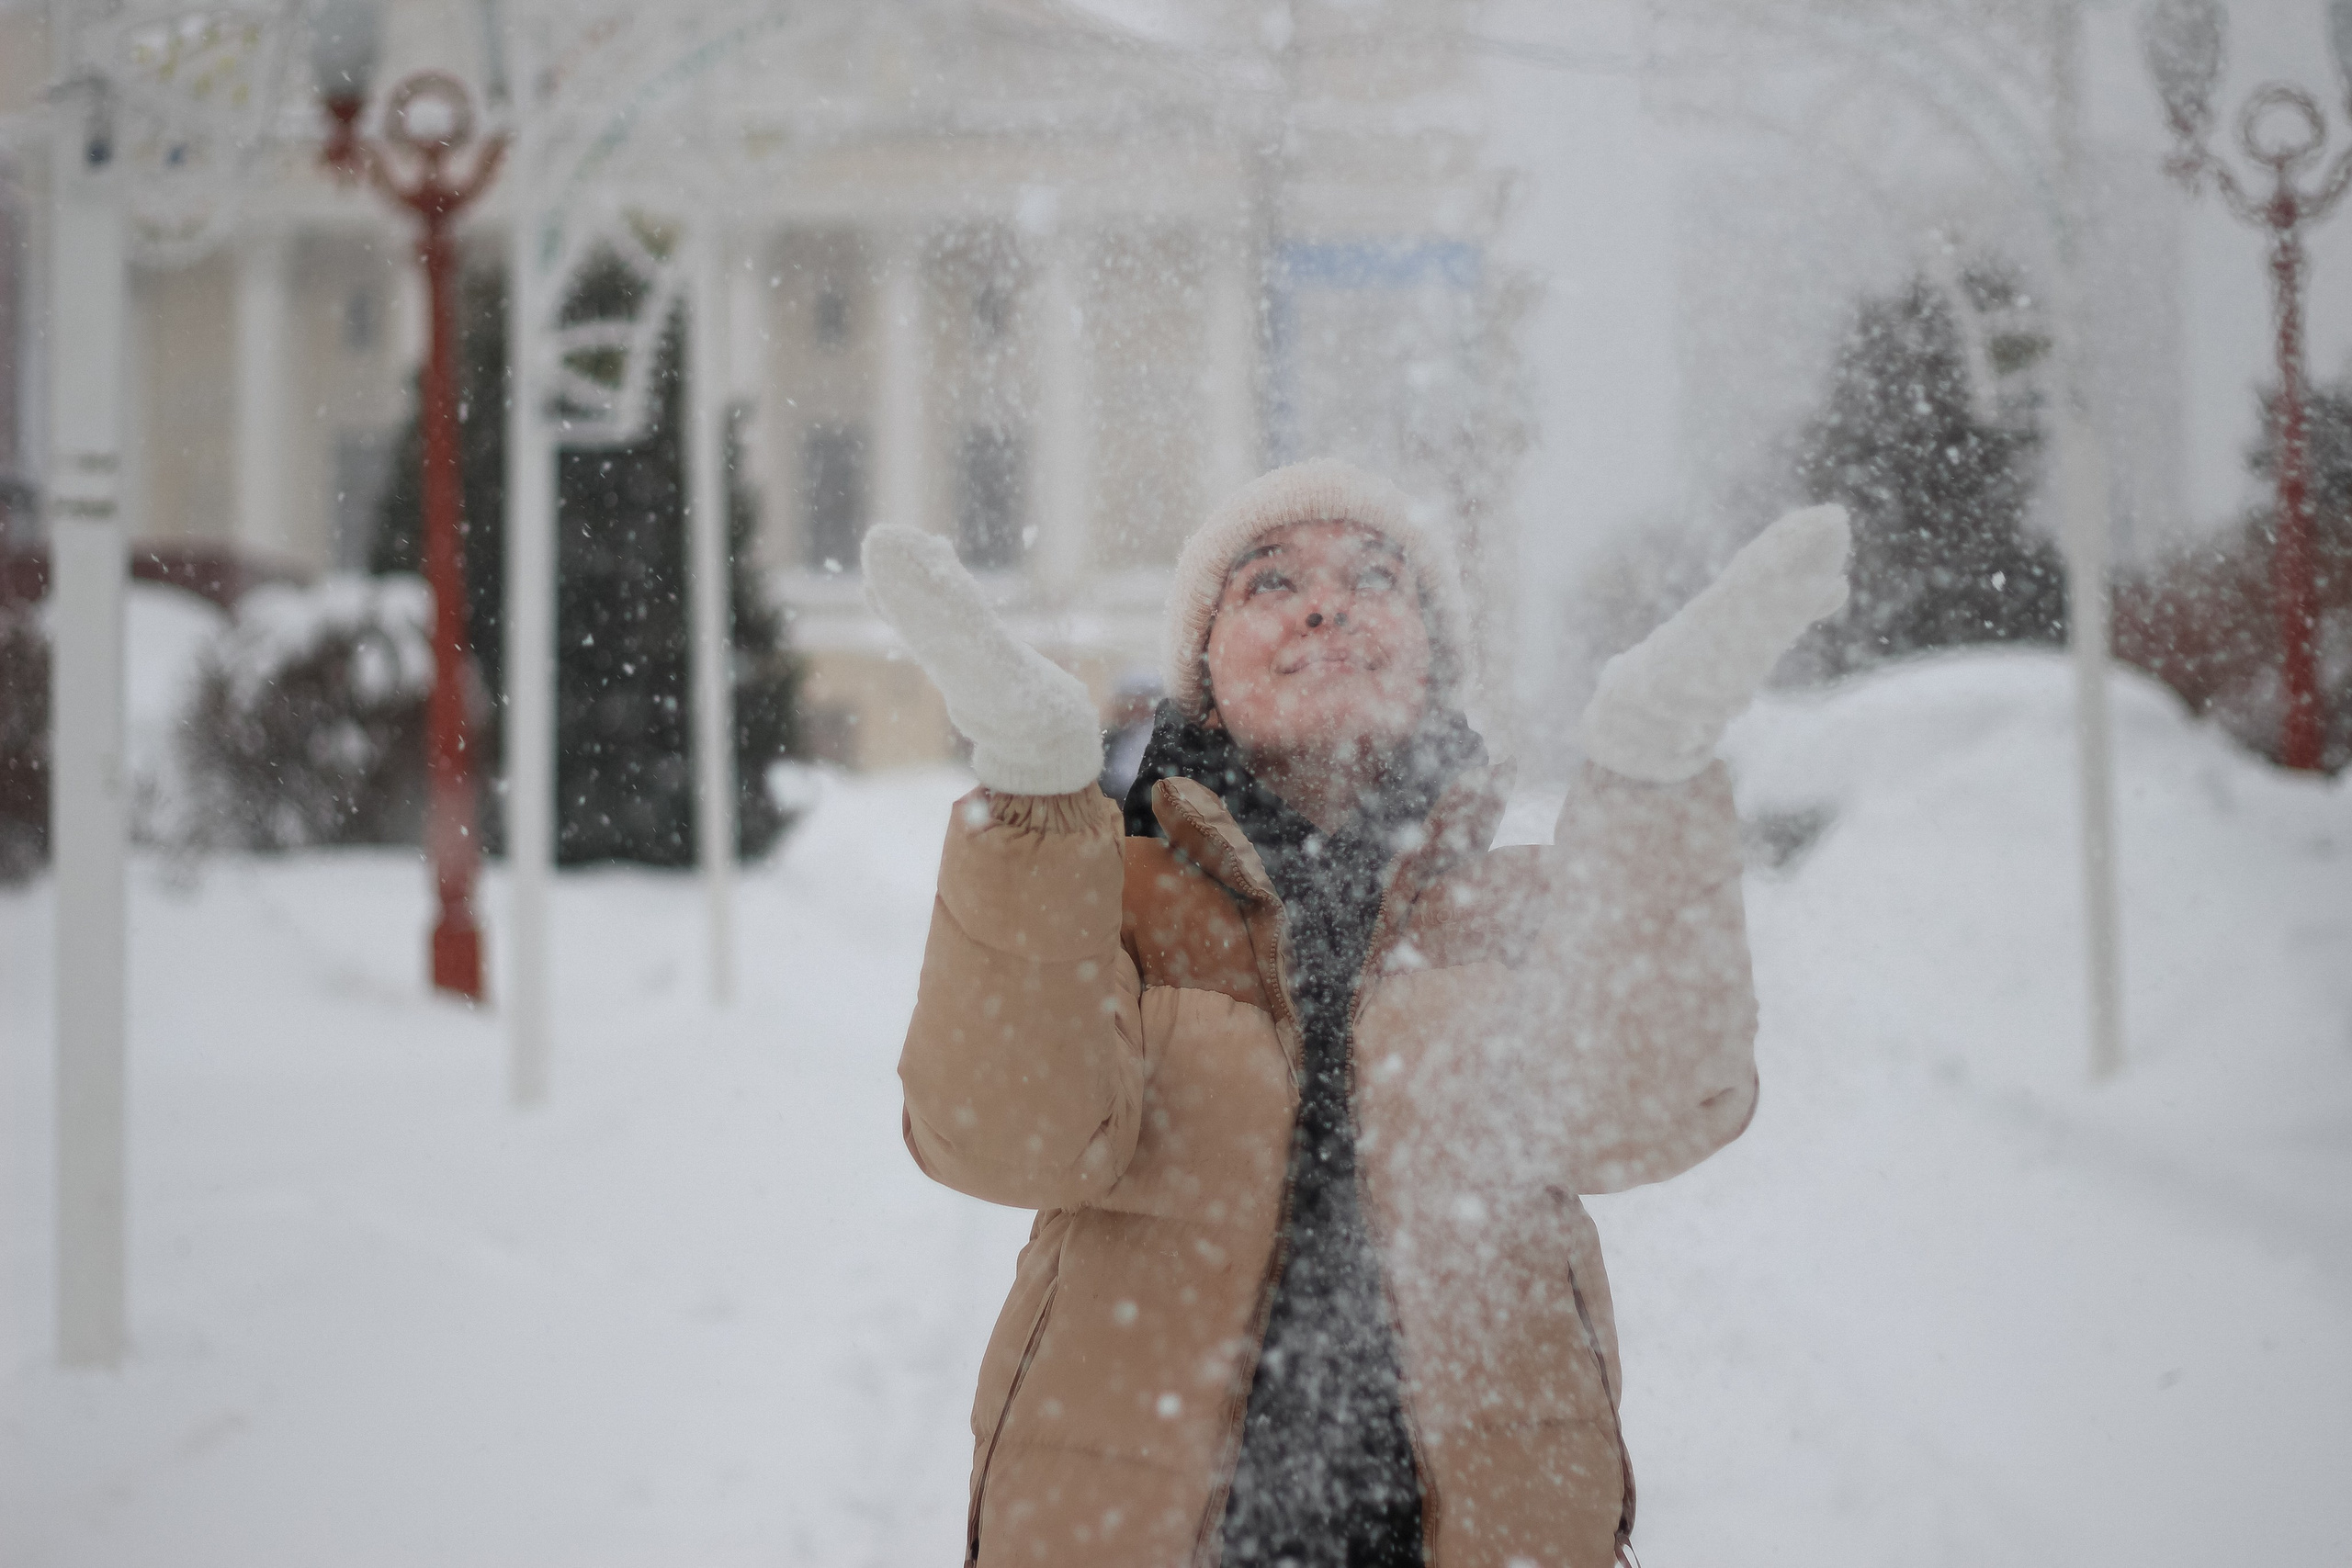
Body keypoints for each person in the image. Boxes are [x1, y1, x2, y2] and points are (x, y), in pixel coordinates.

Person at [862, 458, 1850, 1568]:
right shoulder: (1108, 897)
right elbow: (1005, 1138)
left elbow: (1646, 1113)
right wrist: (1038, 798)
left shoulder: (1519, 906)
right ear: (1204, 669)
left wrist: (1651, 773)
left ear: (1434, 659)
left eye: (1375, 576)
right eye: (1268, 583)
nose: (1325, 603)